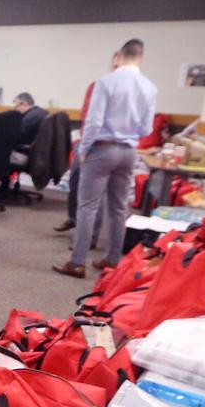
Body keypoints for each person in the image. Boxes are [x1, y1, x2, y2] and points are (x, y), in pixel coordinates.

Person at [53, 38, 157, 279]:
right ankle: (112, 260)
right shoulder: (150, 87)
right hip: (129, 151)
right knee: (120, 207)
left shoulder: (106, 82)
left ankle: (77, 262)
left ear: (120, 56)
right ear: (140, 58)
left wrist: (84, 149)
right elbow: (146, 128)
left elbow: (93, 121)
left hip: (102, 148)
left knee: (88, 206)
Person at [55, 52, 121, 234]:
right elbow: (87, 114)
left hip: (107, 146)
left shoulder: (128, 92)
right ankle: (73, 218)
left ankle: (91, 235)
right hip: (86, 140)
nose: (117, 71)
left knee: (95, 192)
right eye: (114, 67)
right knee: (75, 180)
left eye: (120, 67)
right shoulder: (97, 86)